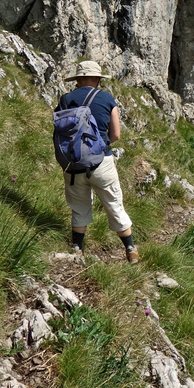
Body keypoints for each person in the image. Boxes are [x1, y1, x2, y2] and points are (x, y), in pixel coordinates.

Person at [56, 59, 138, 263]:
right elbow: (116, 134)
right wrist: (99, 147)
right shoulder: (107, 99)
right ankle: (130, 249)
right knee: (114, 204)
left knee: (79, 206)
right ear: (98, 80)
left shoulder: (65, 100)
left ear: (77, 80)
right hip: (101, 163)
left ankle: (77, 248)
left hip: (72, 164)